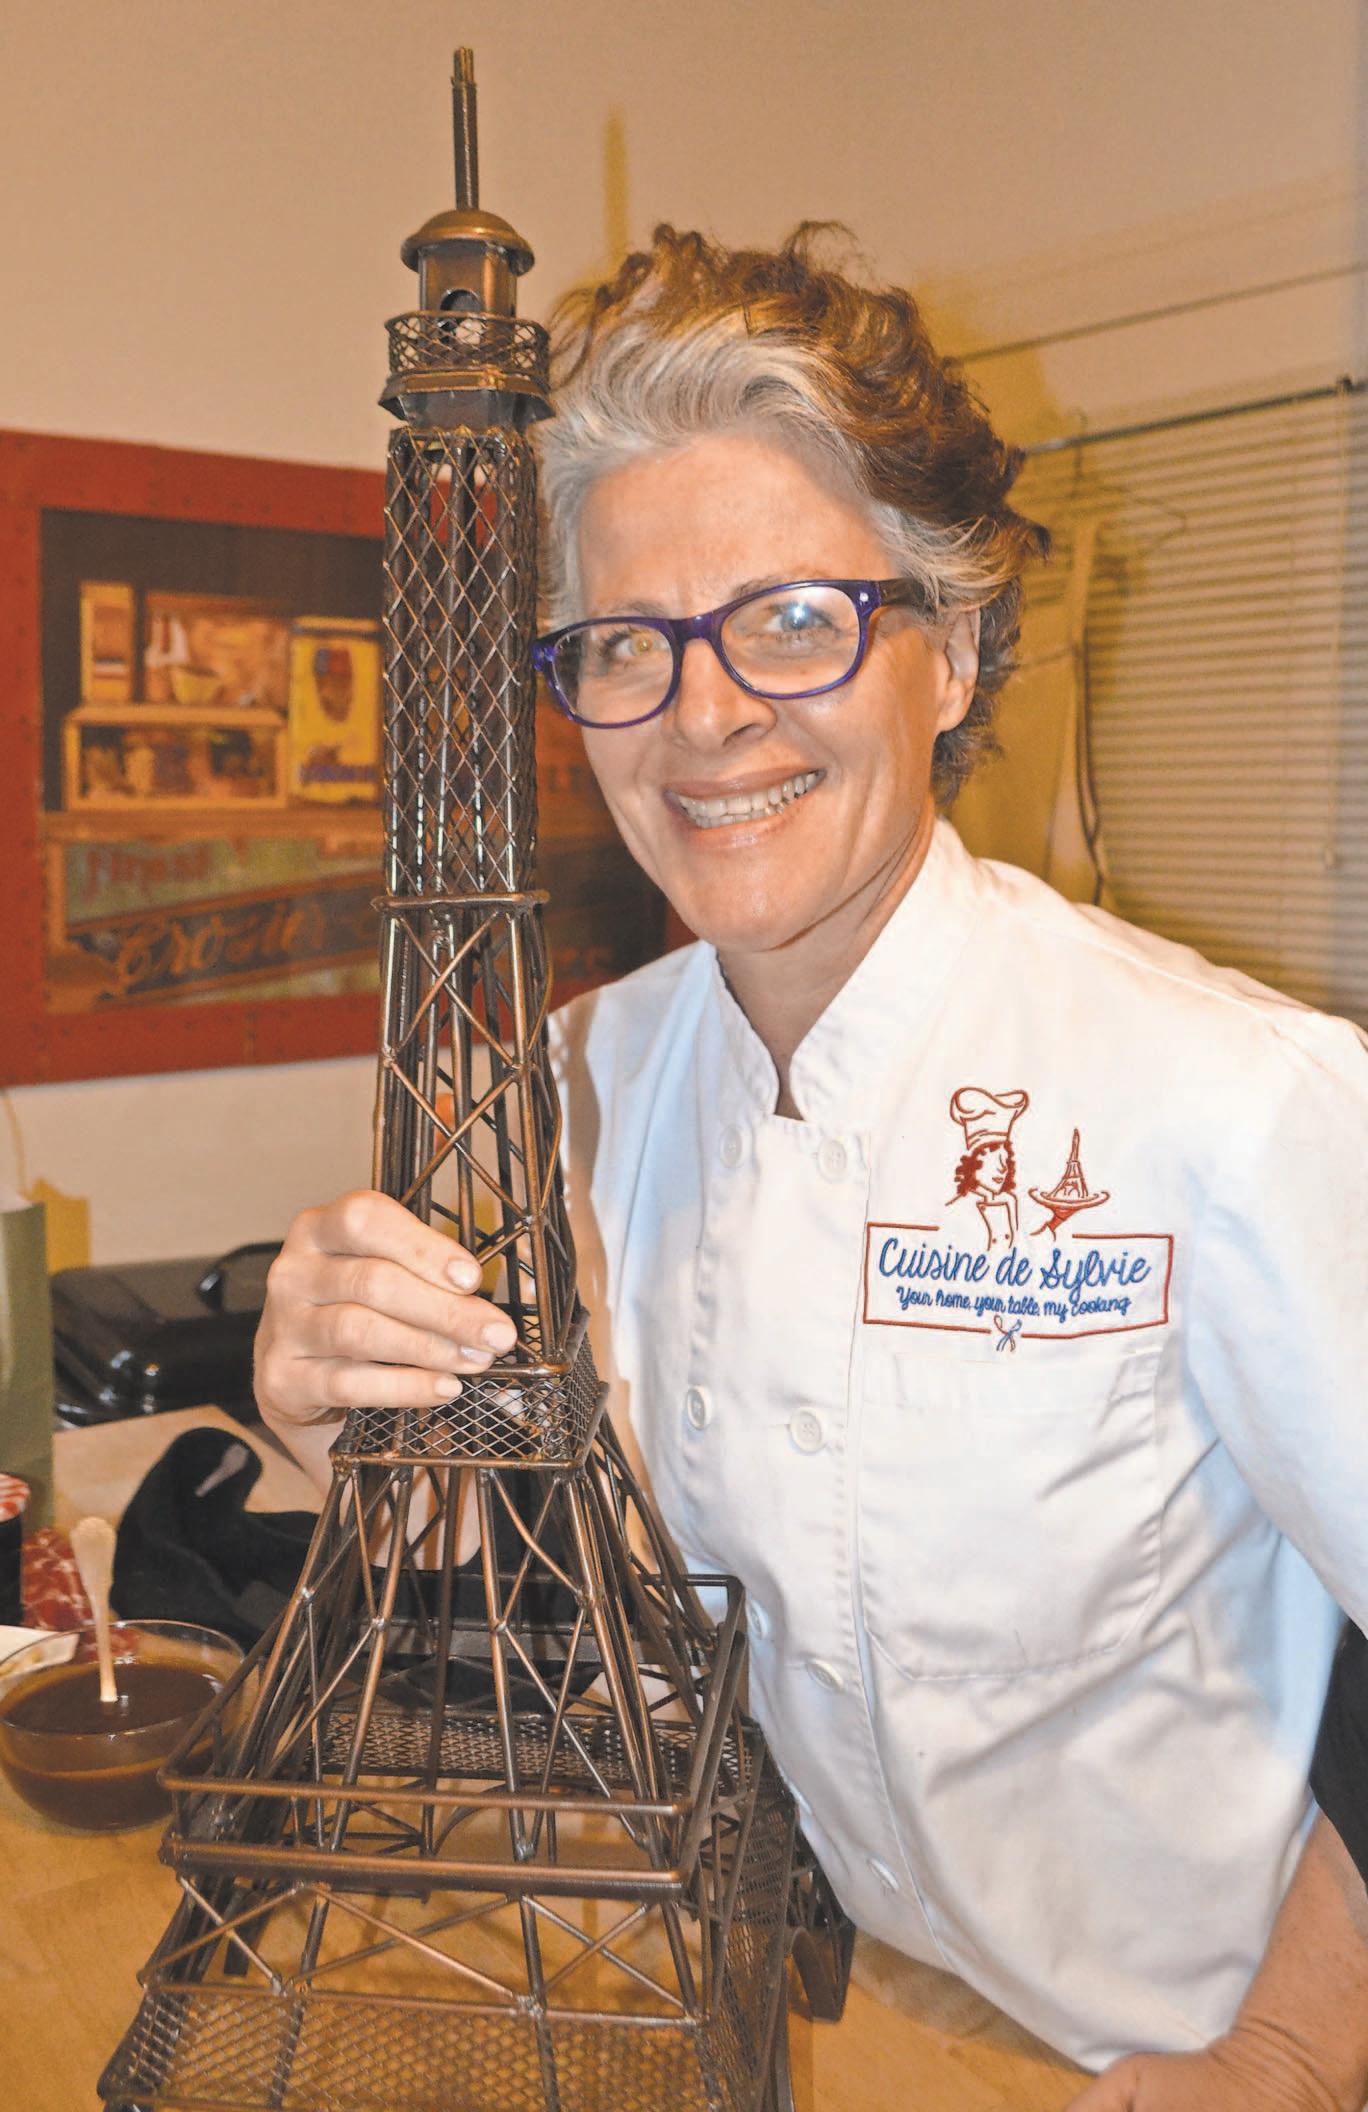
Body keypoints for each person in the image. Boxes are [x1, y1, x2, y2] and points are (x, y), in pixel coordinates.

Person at [254, 226, 1368, 2107]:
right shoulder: (576, 1086)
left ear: (951, 652)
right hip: (837, 2017)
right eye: (628, 644)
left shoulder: (1236, 1102)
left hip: (1191, 2051)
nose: (704, 717)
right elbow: (560, 1583)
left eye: (792, 620)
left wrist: (1291, 2050)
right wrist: (369, 1437)